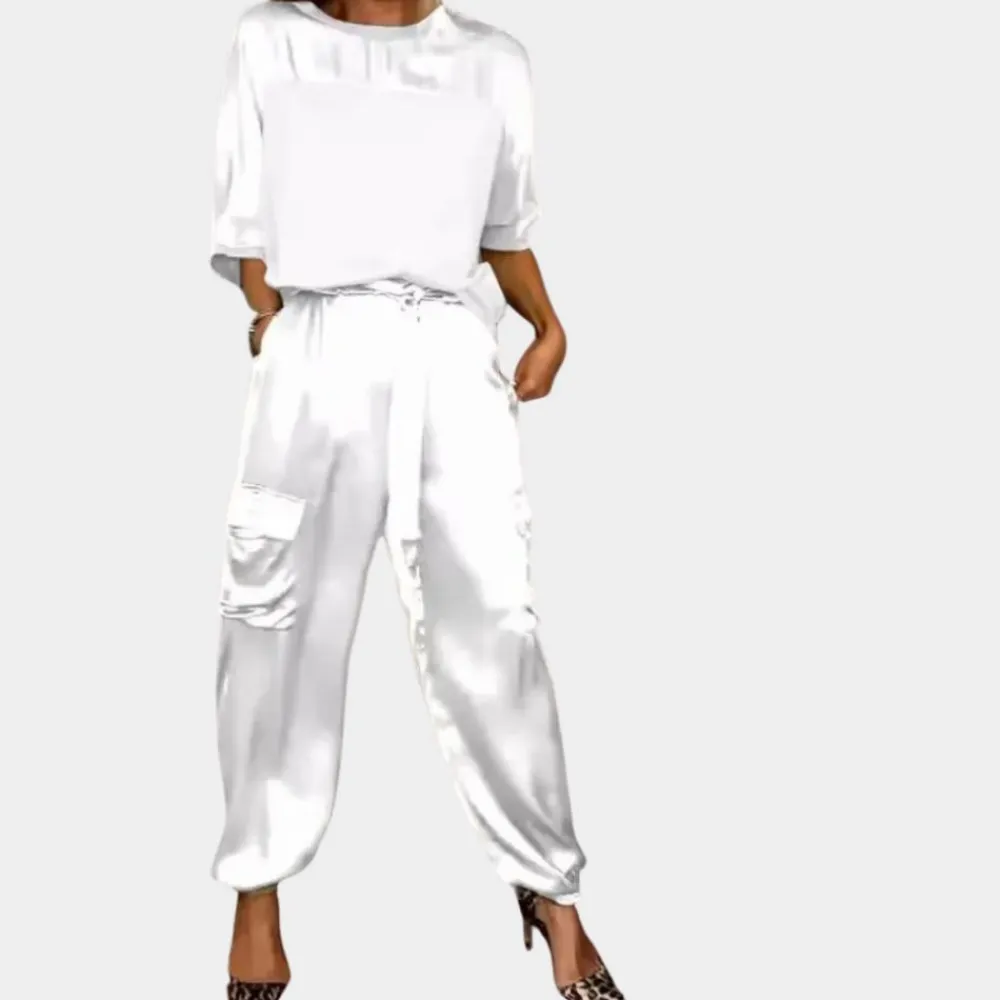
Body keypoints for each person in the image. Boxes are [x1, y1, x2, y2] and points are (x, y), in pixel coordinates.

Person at [208, 2, 626, 997]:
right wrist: (272, 317)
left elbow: (499, 229)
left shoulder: (493, 61)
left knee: (496, 620)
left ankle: (548, 887)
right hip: (317, 348)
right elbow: (248, 224)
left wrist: (548, 324)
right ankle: (257, 894)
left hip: (448, 349)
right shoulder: (271, 42)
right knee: (276, 618)